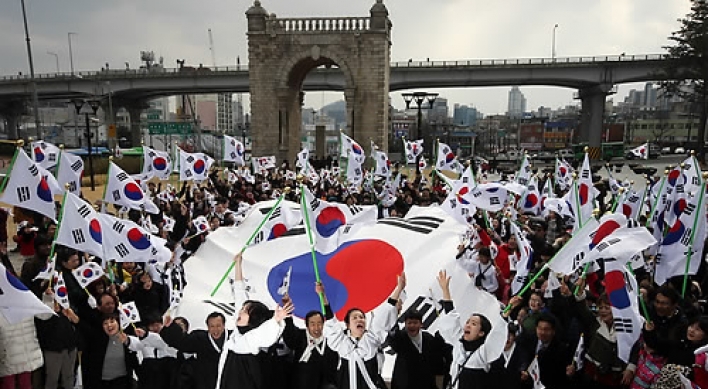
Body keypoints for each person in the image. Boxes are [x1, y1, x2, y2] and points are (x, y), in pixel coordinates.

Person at [215, 252, 294, 389]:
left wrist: (276, 319)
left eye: (245, 311)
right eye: (242, 309)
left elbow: (264, 335)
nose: (240, 311)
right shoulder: (238, 333)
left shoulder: (250, 341)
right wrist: (238, 265)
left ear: (253, 320)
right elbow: (240, 294)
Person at [324, 274, 401, 389]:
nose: (359, 320)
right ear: (347, 325)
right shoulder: (342, 343)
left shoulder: (372, 339)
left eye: (361, 317)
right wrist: (323, 295)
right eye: (354, 318)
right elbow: (331, 323)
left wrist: (399, 289)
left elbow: (383, 317)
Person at [435, 270, 507, 389]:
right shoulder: (458, 345)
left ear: (482, 333)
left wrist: (505, 315)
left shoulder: (483, 353)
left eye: (473, 324)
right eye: (467, 322)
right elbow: (451, 319)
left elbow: (497, 337)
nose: (467, 325)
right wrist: (445, 290)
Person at [281, 283, 339, 389]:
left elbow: (330, 318)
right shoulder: (300, 337)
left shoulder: (331, 340)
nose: (316, 327)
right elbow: (289, 329)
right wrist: (286, 307)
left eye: (319, 323)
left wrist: (322, 294)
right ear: (307, 325)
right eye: (312, 324)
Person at [387, 304, 449, 389]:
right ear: (405, 324)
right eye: (409, 323)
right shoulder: (400, 338)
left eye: (415, 323)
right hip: (404, 385)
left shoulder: (428, 338)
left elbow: (437, 360)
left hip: (426, 384)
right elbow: (392, 338)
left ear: (421, 324)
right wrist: (395, 313)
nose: (412, 326)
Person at [516, 313, 573, 389]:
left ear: (553, 331)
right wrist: (522, 370)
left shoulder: (561, 349)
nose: (542, 332)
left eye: (546, 329)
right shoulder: (526, 340)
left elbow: (561, 376)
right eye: (540, 328)